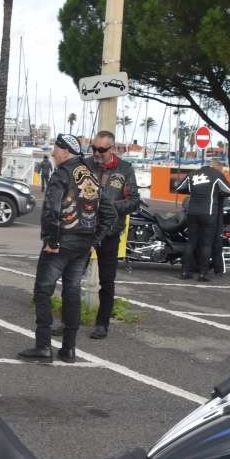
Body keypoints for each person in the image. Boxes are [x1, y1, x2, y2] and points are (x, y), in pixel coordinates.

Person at [18, 134, 115, 364]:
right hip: (82, 245)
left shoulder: (61, 174)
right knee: (72, 293)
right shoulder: (90, 176)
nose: (53, 154)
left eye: (55, 150)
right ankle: (69, 349)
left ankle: (43, 347)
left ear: (65, 152)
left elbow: (50, 210)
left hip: (60, 244)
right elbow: (109, 214)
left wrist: (52, 241)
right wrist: (94, 240)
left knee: (43, 292)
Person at [86, 130, 140, 339]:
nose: (97, 153)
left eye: (101, 149)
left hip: (109, 232)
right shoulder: (87, 165)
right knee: (72, 277)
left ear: (113, 149)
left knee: (107, 281)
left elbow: (134, 200)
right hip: (85, 230)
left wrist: (108, 207)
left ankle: (102, 324)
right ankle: (67, 321)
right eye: (94, 148)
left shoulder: (125, 169)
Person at [174, 160, 230, 281]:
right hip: (209, 212)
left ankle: (185, 272)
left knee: (191, 242)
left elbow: (179, 188)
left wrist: (194, 191)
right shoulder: (216, 175)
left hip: (192, 212)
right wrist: (218, 192)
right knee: (206, 244)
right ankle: (203, 274)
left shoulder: (193, 174)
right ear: (218, 168)